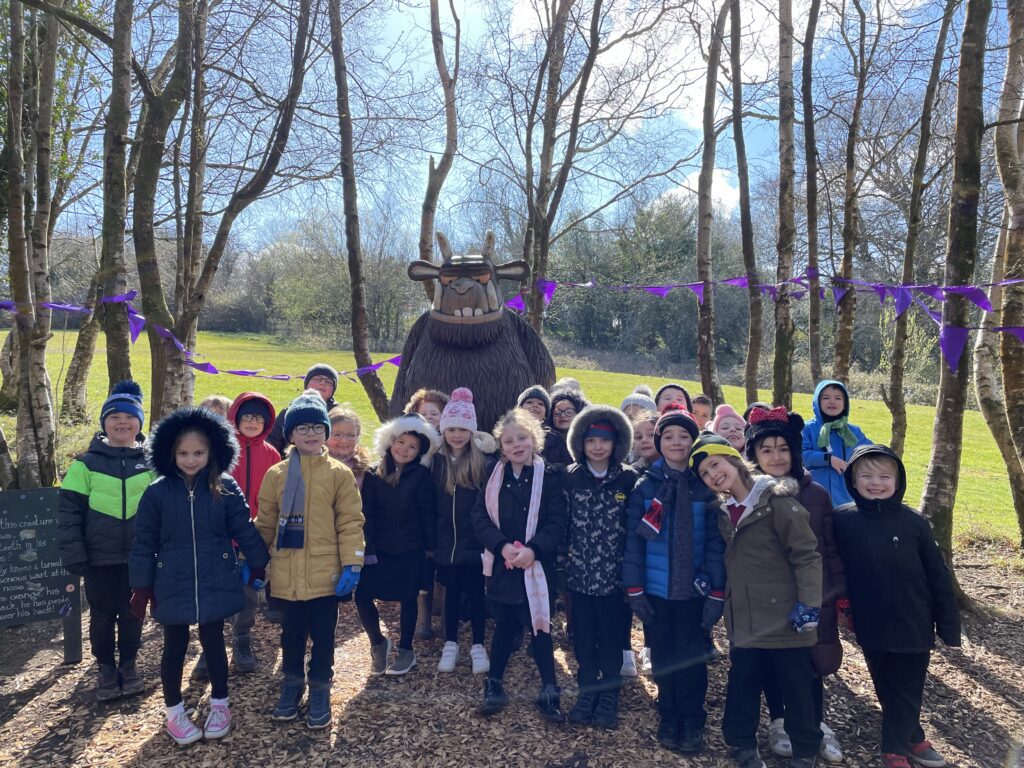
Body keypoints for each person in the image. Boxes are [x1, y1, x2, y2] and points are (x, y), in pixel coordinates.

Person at [129, 407, 270, 745]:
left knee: (214, 641)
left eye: (198, 453)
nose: (190, 460)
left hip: (214, 575)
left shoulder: (225, 487)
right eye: (183, 453)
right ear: (170, 453)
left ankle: (220, 703)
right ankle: (174, 711)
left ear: (212, 452)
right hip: (172, 580)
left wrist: (259, 562)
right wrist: (141, 586)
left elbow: (243, 528)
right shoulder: (158, 492)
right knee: (174, 645)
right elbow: (144, 542)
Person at [690, 433, 822, 768]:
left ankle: (805, 749)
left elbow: (806, 555)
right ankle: (742, 743)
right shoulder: (723, 512)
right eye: (704, 473)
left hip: (786, 618)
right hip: (745, 619)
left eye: (715, 464)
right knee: (743, 682)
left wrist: (809, 603)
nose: (713, 475)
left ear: (734, 461)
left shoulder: (776, 501)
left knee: (796, 687)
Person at [832, 445, 960, 768]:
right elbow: (834, 566)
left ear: (897, 480)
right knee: (887, 684)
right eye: (866, 476)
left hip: (914, 620)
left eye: (884, 476)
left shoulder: (914, 523)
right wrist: (841, 604)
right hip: (870, 621)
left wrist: (949, 627)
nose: (875, 483)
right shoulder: (843, 520)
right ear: (853, 480)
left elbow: (938, 576)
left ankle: (894, 749)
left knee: (909, 685)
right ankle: (914, 737)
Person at [255, 390, 365, 729]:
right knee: (291, 636)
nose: (310, 434)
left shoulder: (339, 474)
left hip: (325, 574)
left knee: (323, 637)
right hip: (287, 573)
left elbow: (350, 522)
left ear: (325, 432)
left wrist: (353, 562)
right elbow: (266, 522)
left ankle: (320, 688)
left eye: (317, 427)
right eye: (302, 428)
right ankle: (292, 684)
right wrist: (254, 560)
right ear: (290, 434)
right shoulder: (276, 475)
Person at [745, 406, 848, 764]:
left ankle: (815, 723)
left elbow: (829, 549)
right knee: (775, 664)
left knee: (811, 665)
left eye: (783, 448)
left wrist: (836, 596)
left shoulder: (815, 494)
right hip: (767, 600)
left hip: (811, 597)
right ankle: (779, 720)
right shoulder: (747, 495)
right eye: (766, 450)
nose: (776, 457)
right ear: (754, 455)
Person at [622, 405, 725, 755]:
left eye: (684, 436)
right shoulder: (645, 487)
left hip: (694, 591)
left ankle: (693, 718)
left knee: (692, 657)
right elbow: (634, 541)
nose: (677, 442)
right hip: (656, 591)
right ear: (658, 442)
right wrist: (635, 589)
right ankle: (668, 713)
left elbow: (714, 544)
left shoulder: (704, 487)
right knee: (664, 656)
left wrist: (716, 591)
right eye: (669, 436)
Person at [58, 381, 154, 702]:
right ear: (104, 423)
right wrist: (74, 552)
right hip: (98, 559)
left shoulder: (152, 464)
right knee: (101, 615)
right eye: (114, 417)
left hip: (138, 558)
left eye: (129, 417)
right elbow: (68, 513)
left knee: (132, 614)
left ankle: (128, 664)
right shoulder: (85, 464)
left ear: (139, 422)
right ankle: (106, 667)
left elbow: (164, 511)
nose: (122, 423)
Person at [472, 408, 568, 721]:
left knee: (540, 628)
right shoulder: (494, 477)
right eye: (509, 441)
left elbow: (557, 522)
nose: (517, 445)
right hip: (504, 567)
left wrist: (534, 550)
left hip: (537, 567)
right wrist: (501, 546)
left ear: (534, 439)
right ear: (501, 447)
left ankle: (549, 687)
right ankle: (494, 683)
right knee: (505, 625)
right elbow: (480, 517)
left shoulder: (548, 477)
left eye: (522, 438)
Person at [190, 392, 278, 676]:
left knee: (248, 591)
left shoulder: (272, 454)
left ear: (267, 423)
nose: (252, 422)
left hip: (253, 535)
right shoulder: (221, 448)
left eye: (259, 418)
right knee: (212, 590)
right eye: (247, 416)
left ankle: (242, 637)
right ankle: (209, 646)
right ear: (236, 418)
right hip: (218, 534)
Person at [562, 405, 639, 729]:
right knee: (582, 636)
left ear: (616, 443)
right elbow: (561, 525)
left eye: (604, 440)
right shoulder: (569, 477)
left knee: (611, 636)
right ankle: (587, 689)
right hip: (578, 577)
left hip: (614, 579)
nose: (597, 446)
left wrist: (631, 574)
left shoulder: (629, 479)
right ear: (580, 442)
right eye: (591, 440)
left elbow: (636, 530)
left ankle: (609, 693)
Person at [355, 412, 439, 676]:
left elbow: (427, 512)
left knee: (408, 598)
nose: (404, 449)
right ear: (391, 442)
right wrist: (367, 548)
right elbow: (366, 513)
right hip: (378, 549)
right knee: (362, 597)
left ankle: (406, 650)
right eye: (401, 442)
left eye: (412, 446)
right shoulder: (373, 473)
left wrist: (430, 547)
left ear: (419, 452)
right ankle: (378, 643)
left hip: (410, 549)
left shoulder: (421, 476)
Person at [432, 388, 495, 674]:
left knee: (476, 593)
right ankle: (451, 643)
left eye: (462, 429)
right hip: (446, 543)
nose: (457, 435)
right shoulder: (436, 462)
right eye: (451, 429)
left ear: (471, 431)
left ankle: (478, 644)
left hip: (475, 542)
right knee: (451, 593)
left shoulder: (483, 463)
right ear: (444, 430)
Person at [404, 387, 450, 638]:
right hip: (416, 515)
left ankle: (443, 614)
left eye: (435, 413)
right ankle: (422, 620)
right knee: (421, 568)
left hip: (443, 512)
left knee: (443, 567)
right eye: (424, 413)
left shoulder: (448, 443)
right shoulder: (409, 445)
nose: (430, 418)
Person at [801, 380, 872, 508]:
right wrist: (827, 459)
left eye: (838, 398)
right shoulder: (807, 429)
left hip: (847, 496)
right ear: (817, 402)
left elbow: (870, 453)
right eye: (826, 398)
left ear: (845, 404)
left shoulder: (853, 431)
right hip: (814, 495)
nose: (832, 401)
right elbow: (799, 455)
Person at [627, 408, 661, 675]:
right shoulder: (632, 473)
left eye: (651, 434)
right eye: (639, 437)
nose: (645, 440)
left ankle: (652, 648)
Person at [267, 364, 341, 454]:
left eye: (329, 382)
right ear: (307, 383)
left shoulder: (339, 415)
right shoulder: (289, 412)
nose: (323, 383)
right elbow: (272, 443)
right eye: (318, 379)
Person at [543, 378, 588, 469]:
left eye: (569, 412)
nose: (563, 415)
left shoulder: (588, 440)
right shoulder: (545, 443)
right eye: (557, 413)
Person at [326, 406, 372, 489]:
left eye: (351, 435)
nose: (344, 441)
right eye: (337, 435)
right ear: (325, 435)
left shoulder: (365, 468)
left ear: (358, 436)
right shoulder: (315, 463)